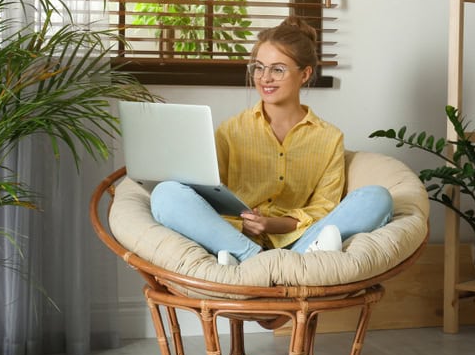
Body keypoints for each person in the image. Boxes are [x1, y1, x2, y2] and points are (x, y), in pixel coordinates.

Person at [149, 17, 393, 265]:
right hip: (236, 238)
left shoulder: (329, 138)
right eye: (258, 67)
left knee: (378, 198)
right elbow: (208, 194)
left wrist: (275, 224)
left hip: (298, 240)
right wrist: (242, 226)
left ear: (305, 74)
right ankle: (254, 259)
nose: (265, 78)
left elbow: (323, 207)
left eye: (277, 69)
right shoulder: (231, 130)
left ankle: (294, 261)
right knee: (164, 194)